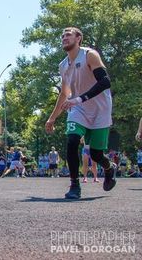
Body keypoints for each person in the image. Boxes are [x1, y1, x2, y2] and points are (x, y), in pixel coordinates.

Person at [45, 27, 116, 200]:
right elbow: (64, 93)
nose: (64, 37)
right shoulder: (63, 65)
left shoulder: (89, 55)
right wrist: (52, 118)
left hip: (100, 109)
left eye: (68, 35)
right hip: (78, 109)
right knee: (72, 141)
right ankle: (74, 185)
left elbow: (105, 82)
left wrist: (79, 99)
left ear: (78, 38)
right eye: (62, 35)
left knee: (96, 154)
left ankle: (109, 168)